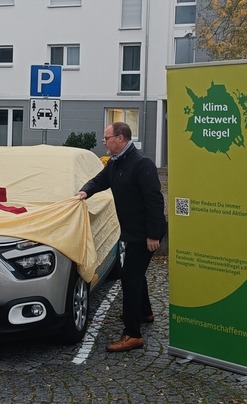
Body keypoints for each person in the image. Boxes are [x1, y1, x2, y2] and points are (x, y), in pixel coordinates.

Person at [75, 122, 166, 352]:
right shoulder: (116, 164)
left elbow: (154, 200)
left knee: (130, 278)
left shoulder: (142, 164)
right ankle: (145, 313)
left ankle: (132, 334)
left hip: (144, 235)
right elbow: (100, 180)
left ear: (121, 138)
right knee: (136, 275)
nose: (103, 142)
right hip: (129, 232)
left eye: (107, 138)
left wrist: (154, 234)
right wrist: (85, 191)